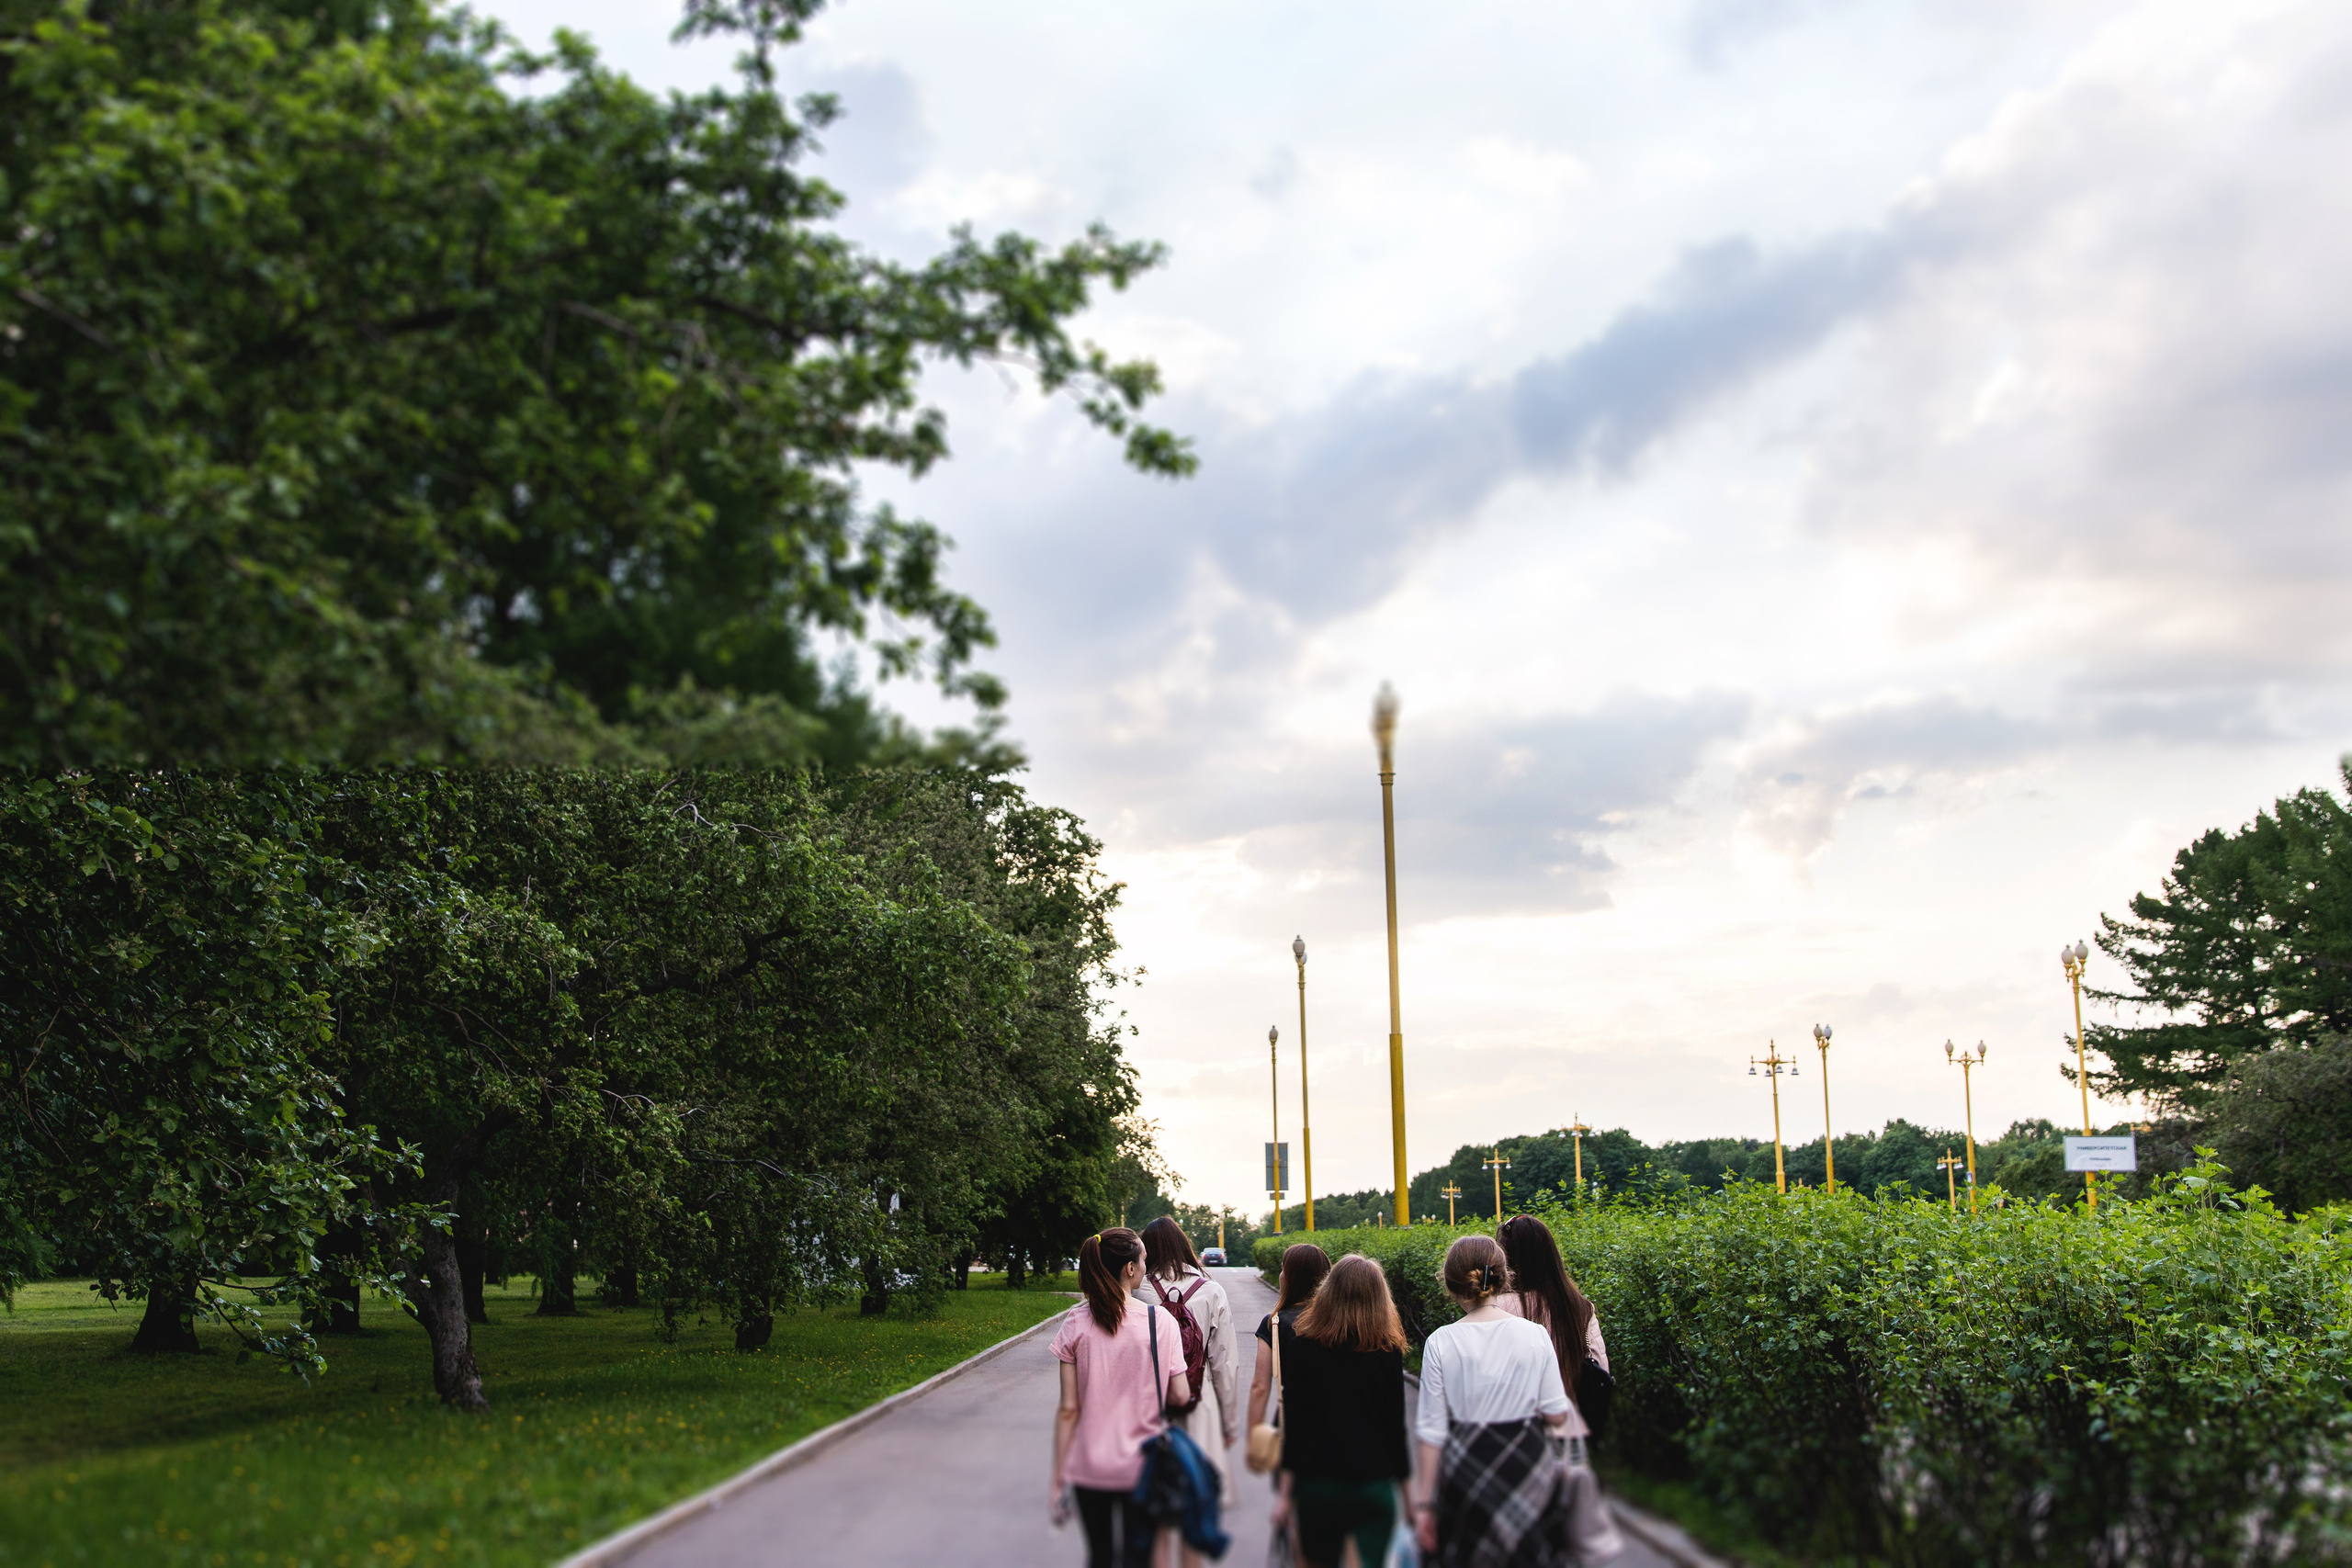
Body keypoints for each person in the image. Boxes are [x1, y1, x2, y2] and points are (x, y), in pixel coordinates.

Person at [1410, 1235, 1574, 1566]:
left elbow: (1431, 1432)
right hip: (1527, 1473)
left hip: (1464, 1474)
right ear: (1502, 1278)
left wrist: (1425, 1505)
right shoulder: (1534, 1335)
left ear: (1451, 1284)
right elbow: (1557, 1415)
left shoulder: (1441, 1342)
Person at [1054, 1227, 1192, 1568]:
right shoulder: (1159, 1320)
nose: (1146, 1267)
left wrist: (1058, 1481)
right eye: (1144, 1260)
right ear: (1130, 1269)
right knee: (1139, 1558)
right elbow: (1180, 1394)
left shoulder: (1076, 1322)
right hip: (1144, 1466)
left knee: (1099, 1556)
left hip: (1090, 1466)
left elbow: (1069, 1409)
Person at [1272, 1255, 1412, 1568]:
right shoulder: (1388, 1352)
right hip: (1373, 1485)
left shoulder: (1302, 1347)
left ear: (1328, 1292)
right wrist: (1409, 1496)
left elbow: (1293, 1426)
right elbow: (1394, 1428)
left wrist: (1284, 1496)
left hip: (1318, 1484)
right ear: (1380, 1299)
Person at [1136, 1217, 1240, 1560]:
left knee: (1155, 1514)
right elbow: (1225, 1362)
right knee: (1193, 1508)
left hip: (1149, 1406)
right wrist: (1228, 1423)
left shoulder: (1140, 1289)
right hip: (1200, 1403)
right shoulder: (1211, 1290)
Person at [1493, 1215, 1609, 1451]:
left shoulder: (1496, 1307)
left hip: (1514, 1436)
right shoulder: (1580, 1306)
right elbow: (1600, 1367)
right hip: (1569, 1431)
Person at [1247, 1243, 1332, 1437]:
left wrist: (1255, 1434)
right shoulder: (1339, 1320)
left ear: (1293, 1277)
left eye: (1283, 1269)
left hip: (1294, 1422)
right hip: (1338, 1424)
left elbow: (1260, 1387)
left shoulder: (1275, 1323)